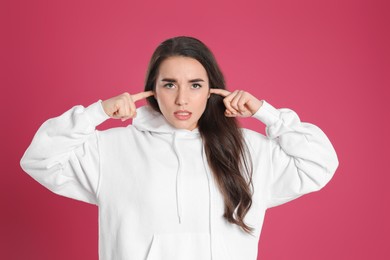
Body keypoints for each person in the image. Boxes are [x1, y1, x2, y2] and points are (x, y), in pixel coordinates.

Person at [20, 36, 339, 260]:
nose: (182, 99)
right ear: (152, 91)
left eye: (195, 85)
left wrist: (265, 113)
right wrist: (98, 112)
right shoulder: (112, 149)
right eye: (169, 84)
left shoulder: (246, 151)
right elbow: (39, 159)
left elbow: (319, 164)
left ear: (212, 90)